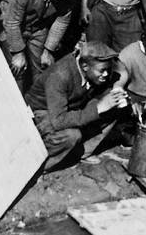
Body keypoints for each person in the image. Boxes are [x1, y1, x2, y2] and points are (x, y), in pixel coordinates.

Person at [24, 40, 129, 171]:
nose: (106, 74)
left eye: (108, 69)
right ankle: (38, 167)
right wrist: (98, 108)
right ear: (85, 67)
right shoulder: (59, 76)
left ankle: (80, 152)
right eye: (102, 71)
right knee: (71, 136)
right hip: (42, 112)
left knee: (115, 109)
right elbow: (59, 121)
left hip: (68, 107)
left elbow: (121, 71)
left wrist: (116, 92)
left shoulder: (92, 68)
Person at [0, 0, 79, 92]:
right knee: (17, 68)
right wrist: (18, 53)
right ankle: (17, 103)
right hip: (15, 27)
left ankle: (37, 104)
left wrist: (48, 50)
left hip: (39, 28)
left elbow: (61, 21)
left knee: (43, 67)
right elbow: (12, 22)